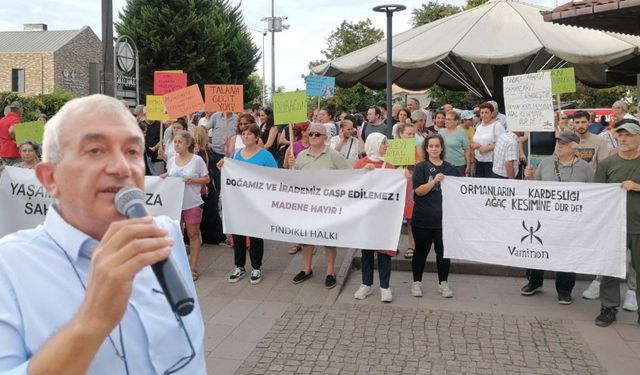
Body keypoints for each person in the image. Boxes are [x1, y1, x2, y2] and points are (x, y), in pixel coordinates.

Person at [0, 94, 205, 373]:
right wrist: (92, 322)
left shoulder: (164, 235)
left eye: (132, 151)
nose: (122, 167)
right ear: (50, 178)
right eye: (95, 150)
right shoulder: (9, 266)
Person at [520, 132, 593, 304]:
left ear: (575, 148)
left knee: (567, 254)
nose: (559, 146)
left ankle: (564, 290)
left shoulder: (585, 168)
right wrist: (529, 178)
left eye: (564, 144)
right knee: (537, 249)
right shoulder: (545, 163)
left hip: (570, 222)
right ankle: (534, 281)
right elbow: (534, 189)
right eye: (558, 143)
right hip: (544, 218)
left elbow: (592, 193)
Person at [289, 124, 351, 288]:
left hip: (327, 205)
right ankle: (306, 268)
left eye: (317, 134)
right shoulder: (301, 155)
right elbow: (292, 179)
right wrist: (290, 166)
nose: (313, 136)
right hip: (306, 205)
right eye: (311, 134)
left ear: (326, 137)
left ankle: (330, 271)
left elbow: (350, 174)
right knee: (306, 238)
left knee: (329, 238)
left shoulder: (333, 155)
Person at [217, 124, 277, 285]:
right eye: (243, 134)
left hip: (257, 202)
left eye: (250, 134)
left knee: (256, 234)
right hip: (239, 201)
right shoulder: (236, 154)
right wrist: (223, 166)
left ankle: (256, 267)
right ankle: (239, 266)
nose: (246, 137)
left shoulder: (265, 156)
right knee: (238, 234)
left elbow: (274, 176)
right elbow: (230, 174)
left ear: (257, 137)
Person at [594, 123, 640, 327]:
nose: (623, 139)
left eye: (628, 135)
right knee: (610, 270)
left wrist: (637, 187)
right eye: (620, 135)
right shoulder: (607, 164)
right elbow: (596, 195)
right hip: (614, 227)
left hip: (638, 228)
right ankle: (608, 308)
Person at [411, 134, 460, 299]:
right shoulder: (421, 168)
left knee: (443, 252)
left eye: (437, 146)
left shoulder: (451, 168)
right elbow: (419, 191)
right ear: (426, 148)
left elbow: (461, 191)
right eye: (430, 146)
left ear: (441, 148)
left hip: (444, 220)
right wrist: (434, 182)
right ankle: (416, 282)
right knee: (421, 252)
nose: (434, 149)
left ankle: (443, 283)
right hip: (423, 218)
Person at [162, 130, 210, 281]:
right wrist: (165, 177)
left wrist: (194, 181)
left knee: (193, 234)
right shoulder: (171, 161)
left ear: (188, 144)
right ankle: (178, 265)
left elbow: (207, 179)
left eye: (180, 142)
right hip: (175, 204)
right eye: (175, 142)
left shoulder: (196, 160)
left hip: (192, 202)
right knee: (176, 234)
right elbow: (169, 177)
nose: (177, 145)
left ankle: (192, 267)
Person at [353, 133, 395, 303]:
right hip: (366, 217)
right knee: (367, 253)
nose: (387, 146)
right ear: (374, 144)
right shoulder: (360, 165)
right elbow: (353, 186)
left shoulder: (390, 167)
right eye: (384, 143)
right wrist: (364, 173)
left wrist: (404, 178)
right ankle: (366, 284)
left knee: (384, 253)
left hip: (384, 217)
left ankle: (385, 287)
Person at [396, 123, 420, 259]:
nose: (411, 136)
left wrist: (417, 164)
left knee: (411, 217)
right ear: (401, 134)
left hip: (410, 186)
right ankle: (393, 245)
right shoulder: (393, 148)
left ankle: (412, 246)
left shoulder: (417, 149)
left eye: (413, 134)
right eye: (409, 133)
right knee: (395, 217)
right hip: (397, 185)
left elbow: (422, 165)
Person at [472, 102, 505, 178]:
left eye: (486, 112)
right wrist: (474, 145)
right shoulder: (479, 127)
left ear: (492, 113)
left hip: (491, 162)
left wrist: (489, 147)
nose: (484, 115)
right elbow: (473, 141)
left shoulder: (497, 126)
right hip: (478, 161)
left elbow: (503, 143)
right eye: (482, 113)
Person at [439, 111, 470, 176]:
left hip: (459, 165)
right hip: (444, 164)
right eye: (446, 119)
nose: (446, 121)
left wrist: (468, 165)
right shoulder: (441, 132)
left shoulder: (462, 133)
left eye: (449, 119)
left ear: (456, 121)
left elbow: (467, 150)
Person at [0, 101, 23, 167]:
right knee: (15, 172)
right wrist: (17, 139)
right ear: (20, 109)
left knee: (6, 172)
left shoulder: (2, 119)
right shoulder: (16, 119)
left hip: (3, 151)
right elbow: (11, 130)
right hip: (13, 151)